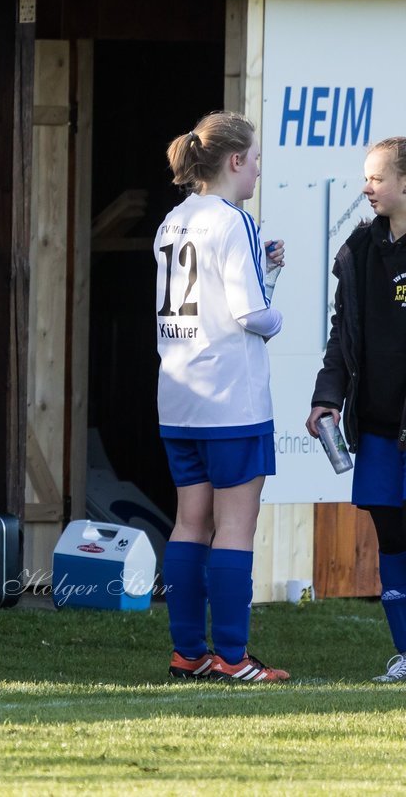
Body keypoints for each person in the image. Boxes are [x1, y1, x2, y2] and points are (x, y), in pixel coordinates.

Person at [155, 111, 289, 683]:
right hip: (231, 398)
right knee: (235, 526)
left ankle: (189, 652)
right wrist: (277, 309)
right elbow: (252, 315)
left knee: (190, 522)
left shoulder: (172, 220)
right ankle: (233, 658)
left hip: (180, 396)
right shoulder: (235, 220)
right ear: (235, 161)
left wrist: (264, 272)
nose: (257, 170)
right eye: (255, 159)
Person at [308, 137, 406, 683]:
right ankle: (405, 651)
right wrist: (328, 396)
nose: (366, 187)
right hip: (375, 429)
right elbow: (340, 339)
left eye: (376, 178)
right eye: (365, 178)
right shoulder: (359, 250)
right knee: (390, 535)